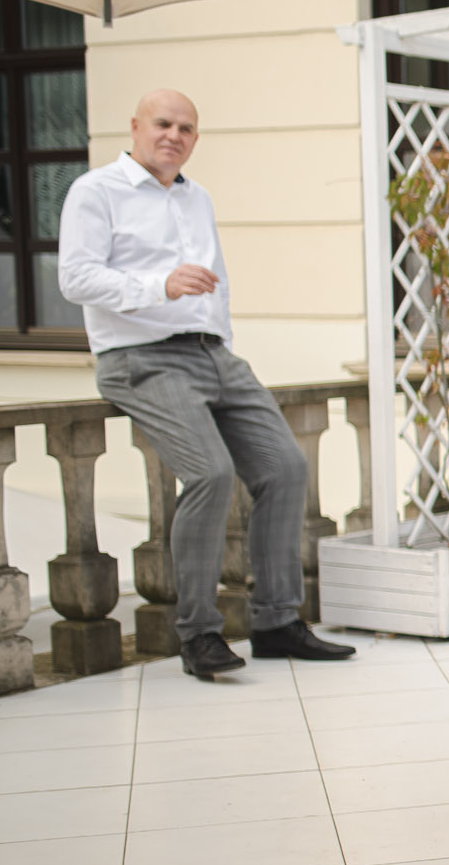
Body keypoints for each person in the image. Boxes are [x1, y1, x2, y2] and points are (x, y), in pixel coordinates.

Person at [58, 89, 356, 680]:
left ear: (195, 138)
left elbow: (214, 280)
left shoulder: (197, 198)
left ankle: (276, 622)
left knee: (286, 467)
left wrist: (218, 335)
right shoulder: (96, 191)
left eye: (186, 128)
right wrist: (159, 286)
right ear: (136, 127)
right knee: (211, 473)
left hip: (212, 353)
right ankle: (198, 634)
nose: (174, 135)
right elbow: (75, 278)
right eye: (163, 124)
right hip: (140, 356)